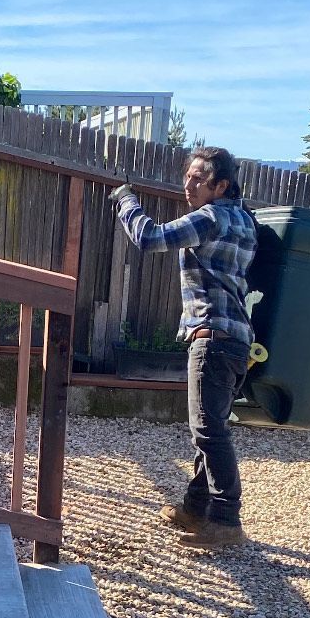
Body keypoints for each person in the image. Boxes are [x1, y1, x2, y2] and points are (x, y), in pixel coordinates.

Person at [111, 147, 256, 550]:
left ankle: (226, 520)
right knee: (211, 426)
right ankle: (195, 507)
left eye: (198, 179)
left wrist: (125, 200)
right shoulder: (246, 219)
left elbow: (149, 238)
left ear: (220, 186)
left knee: (208, 431)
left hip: (212, 339)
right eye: (188, 176)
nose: (188, 185)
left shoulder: (210, 218)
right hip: (237, 341)